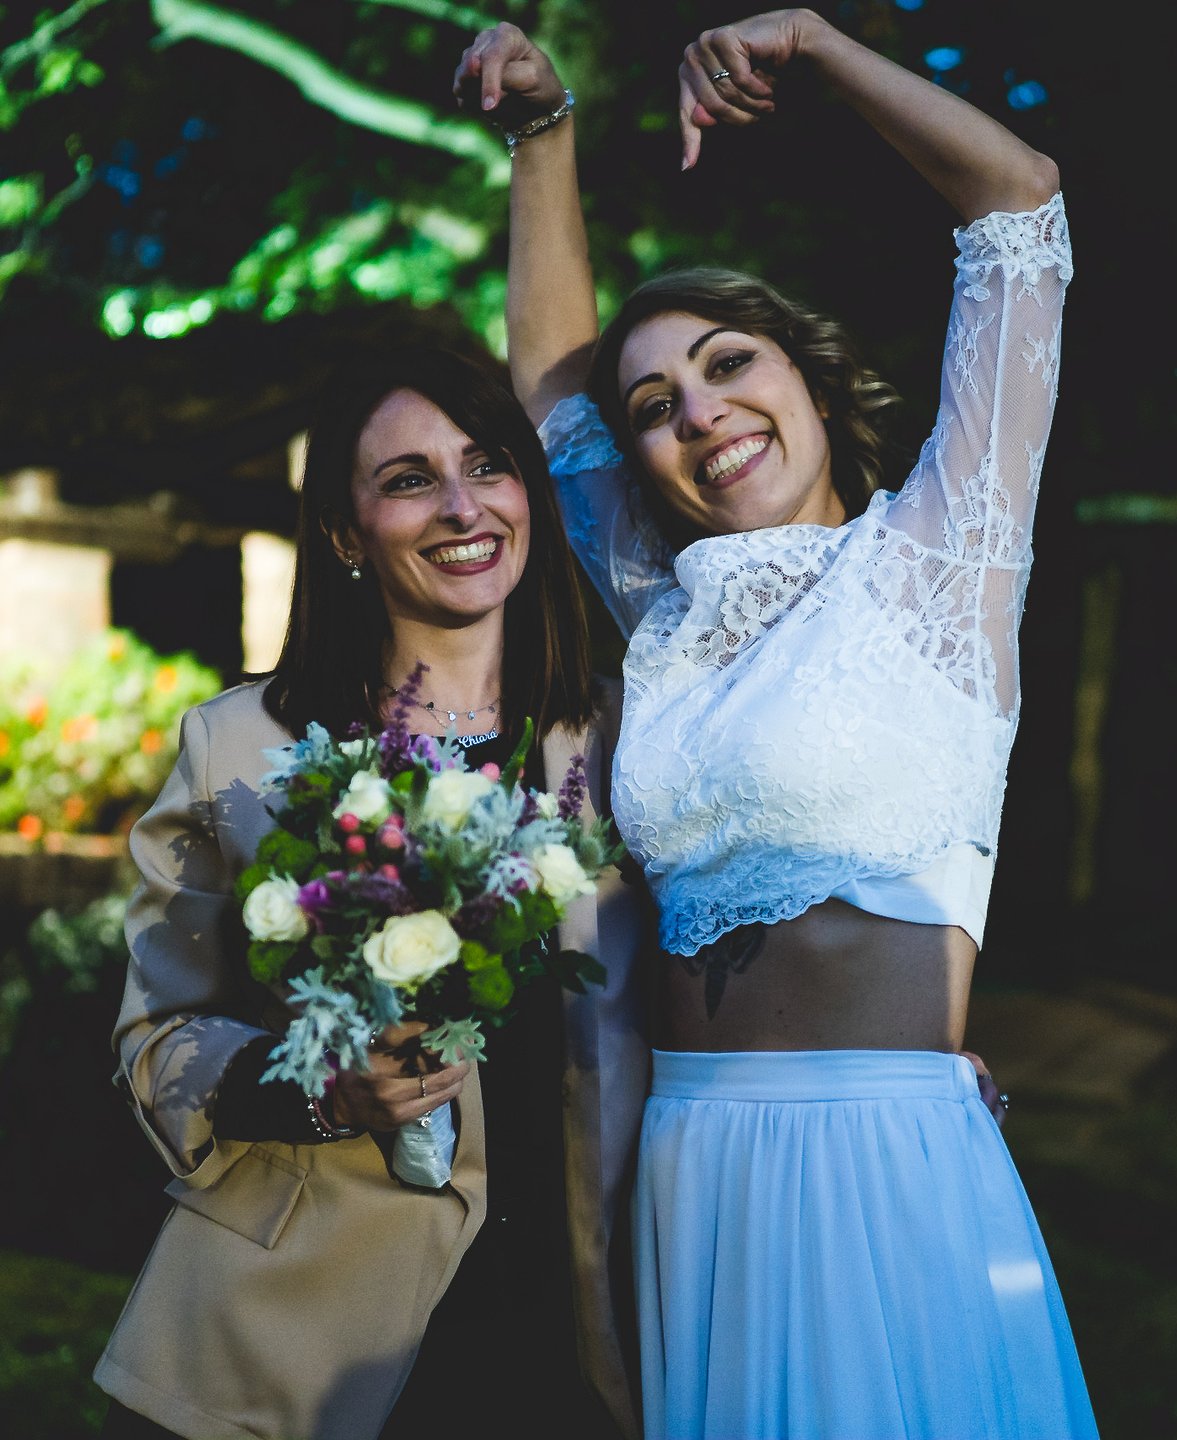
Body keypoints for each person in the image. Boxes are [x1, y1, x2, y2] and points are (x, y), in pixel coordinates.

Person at [454, 9, 1097, 1439]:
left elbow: (1018, 203)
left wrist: (812, 41)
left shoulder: (942, 555)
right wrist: (542, 134)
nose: (700, 412)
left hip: (876, 1154)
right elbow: (552, 386)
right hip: (689, 1159)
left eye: (730, 362)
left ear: (807, 373)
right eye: (657, 405)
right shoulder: (669, 613)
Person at [92, 346, 650, 1440]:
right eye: (408, 479)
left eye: (486, 465)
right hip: (297, 1336)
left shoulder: (630, 736)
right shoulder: (236, 749)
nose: (462, 508)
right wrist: (320, 1093)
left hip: (573, 1330)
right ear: (346, 534)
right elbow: (157, 1038)